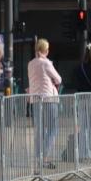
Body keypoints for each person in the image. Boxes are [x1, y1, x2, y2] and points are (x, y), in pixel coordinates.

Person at [28, 38, 62, 170]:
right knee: (53, 128)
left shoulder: (31, 64)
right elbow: (58, 79)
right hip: (48, 98)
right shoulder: (46, 63)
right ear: (46, 50)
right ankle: (44, 156)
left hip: (35, 99)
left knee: (39, 130)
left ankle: (38, 157)